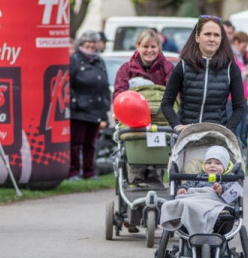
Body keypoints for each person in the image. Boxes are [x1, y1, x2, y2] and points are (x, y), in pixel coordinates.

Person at [160, 15, 246, 133]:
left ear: (221, 39)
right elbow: (166, 103)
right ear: (197, 37)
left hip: (217, 138)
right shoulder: (184, 66)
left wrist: (227, 130)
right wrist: (177, 126)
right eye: (207, 34)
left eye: (216, 35)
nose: (212, 38)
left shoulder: (231, 68)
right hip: (186, 136)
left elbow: (239, 108)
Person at [113, 29, 173, 189]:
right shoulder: (127, 69)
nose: (149, 50)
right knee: (135, 147)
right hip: (134, 120)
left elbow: (175, 92)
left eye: (153, 46)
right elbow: (119, 92)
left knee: (158, 150)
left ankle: (156, 177)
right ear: (137, 46)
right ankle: (135, 177)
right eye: (145, 46)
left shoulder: (166, 68)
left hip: (159, 119)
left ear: (159, 47)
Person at [160, 145, 236, 258]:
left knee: (221, 211)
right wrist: (183, 189)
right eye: (209, 162)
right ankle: (188, 256)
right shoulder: (198, 177)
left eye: (217, 163)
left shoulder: (229, 179)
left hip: (215, 205)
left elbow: (234, 196)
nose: (212, 166)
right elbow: (188, 187)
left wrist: (221, 190)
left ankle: (216, 255)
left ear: (225, 166)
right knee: (183, 203)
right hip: (195, 203)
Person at [69, 30, 110, 181]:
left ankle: (89, 172)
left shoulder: (100, 61)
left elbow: (105, 85)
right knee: (75, 143)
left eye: (94, 42)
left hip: (96, 110)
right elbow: (69, 84)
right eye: (89, 42)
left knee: (91, 144)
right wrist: (74, 103)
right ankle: (73, 172)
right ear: (82, 43)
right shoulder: (74, 60)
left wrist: (105, 107)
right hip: (80, 110)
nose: (91, 45)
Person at [231, 31, 248, 145]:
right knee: (237, 131)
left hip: (243, 98)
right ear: (236, 42)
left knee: (242, 130)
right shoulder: (232, 57)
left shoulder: (241, 57)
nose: (245, 49)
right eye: (244, 46)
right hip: (234, 99)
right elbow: (235, 77)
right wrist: (246, 74)